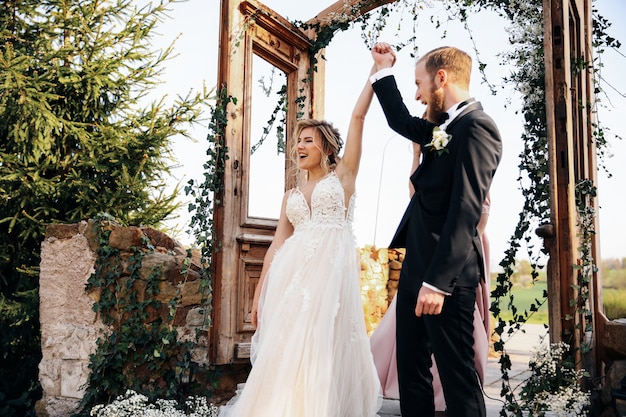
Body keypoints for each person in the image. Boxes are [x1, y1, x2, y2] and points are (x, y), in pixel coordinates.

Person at [219, 69, 381, 417]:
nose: (300, 146)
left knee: (320, 347)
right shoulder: (290, 195)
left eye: (308, 140)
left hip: (330, 276)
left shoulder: (344, 177)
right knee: (288, 347)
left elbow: (358, 117)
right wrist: (259, 294)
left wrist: (376, 73)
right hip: (290, 280)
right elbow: (278, 243)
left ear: (326, 147)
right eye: (298, 141)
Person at [369, 43, 502, 417]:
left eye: (419, 84)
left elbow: (465, 210)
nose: (416, 94)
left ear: (441, 78)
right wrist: (383, 69)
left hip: (449, 278)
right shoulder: (441, 128)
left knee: (458, 379)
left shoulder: (478, 128)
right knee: (411, 372)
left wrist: (438, 283)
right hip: (416, 270)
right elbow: (398, 119)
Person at [369, 143, 492, 409]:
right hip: (420, 261)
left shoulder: (468, 165)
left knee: (455, 357)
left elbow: (477, 222)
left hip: (455, 263)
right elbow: (414, 196)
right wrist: (416, 155)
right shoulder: (428, 171)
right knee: (412, 355)